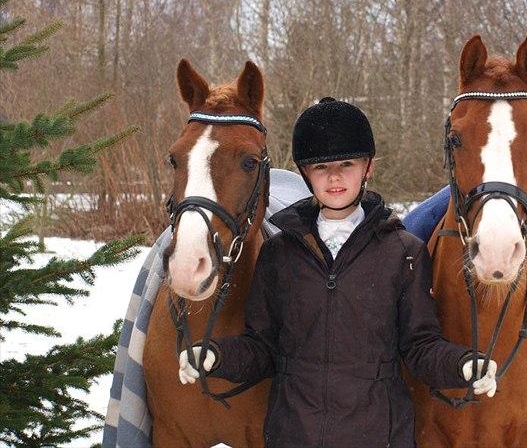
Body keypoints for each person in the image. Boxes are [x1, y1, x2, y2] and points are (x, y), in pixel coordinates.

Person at [178, 97, 494, 447]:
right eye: (320, 167)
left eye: (346, 163)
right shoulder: (280, 254)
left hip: (378, 436)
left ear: (367, 168)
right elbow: (261, 348)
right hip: (294, 435)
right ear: (305, 174)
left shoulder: (403, 253)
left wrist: (464, 364)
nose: (334, 177)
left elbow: (420, 347)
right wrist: (215, 356)